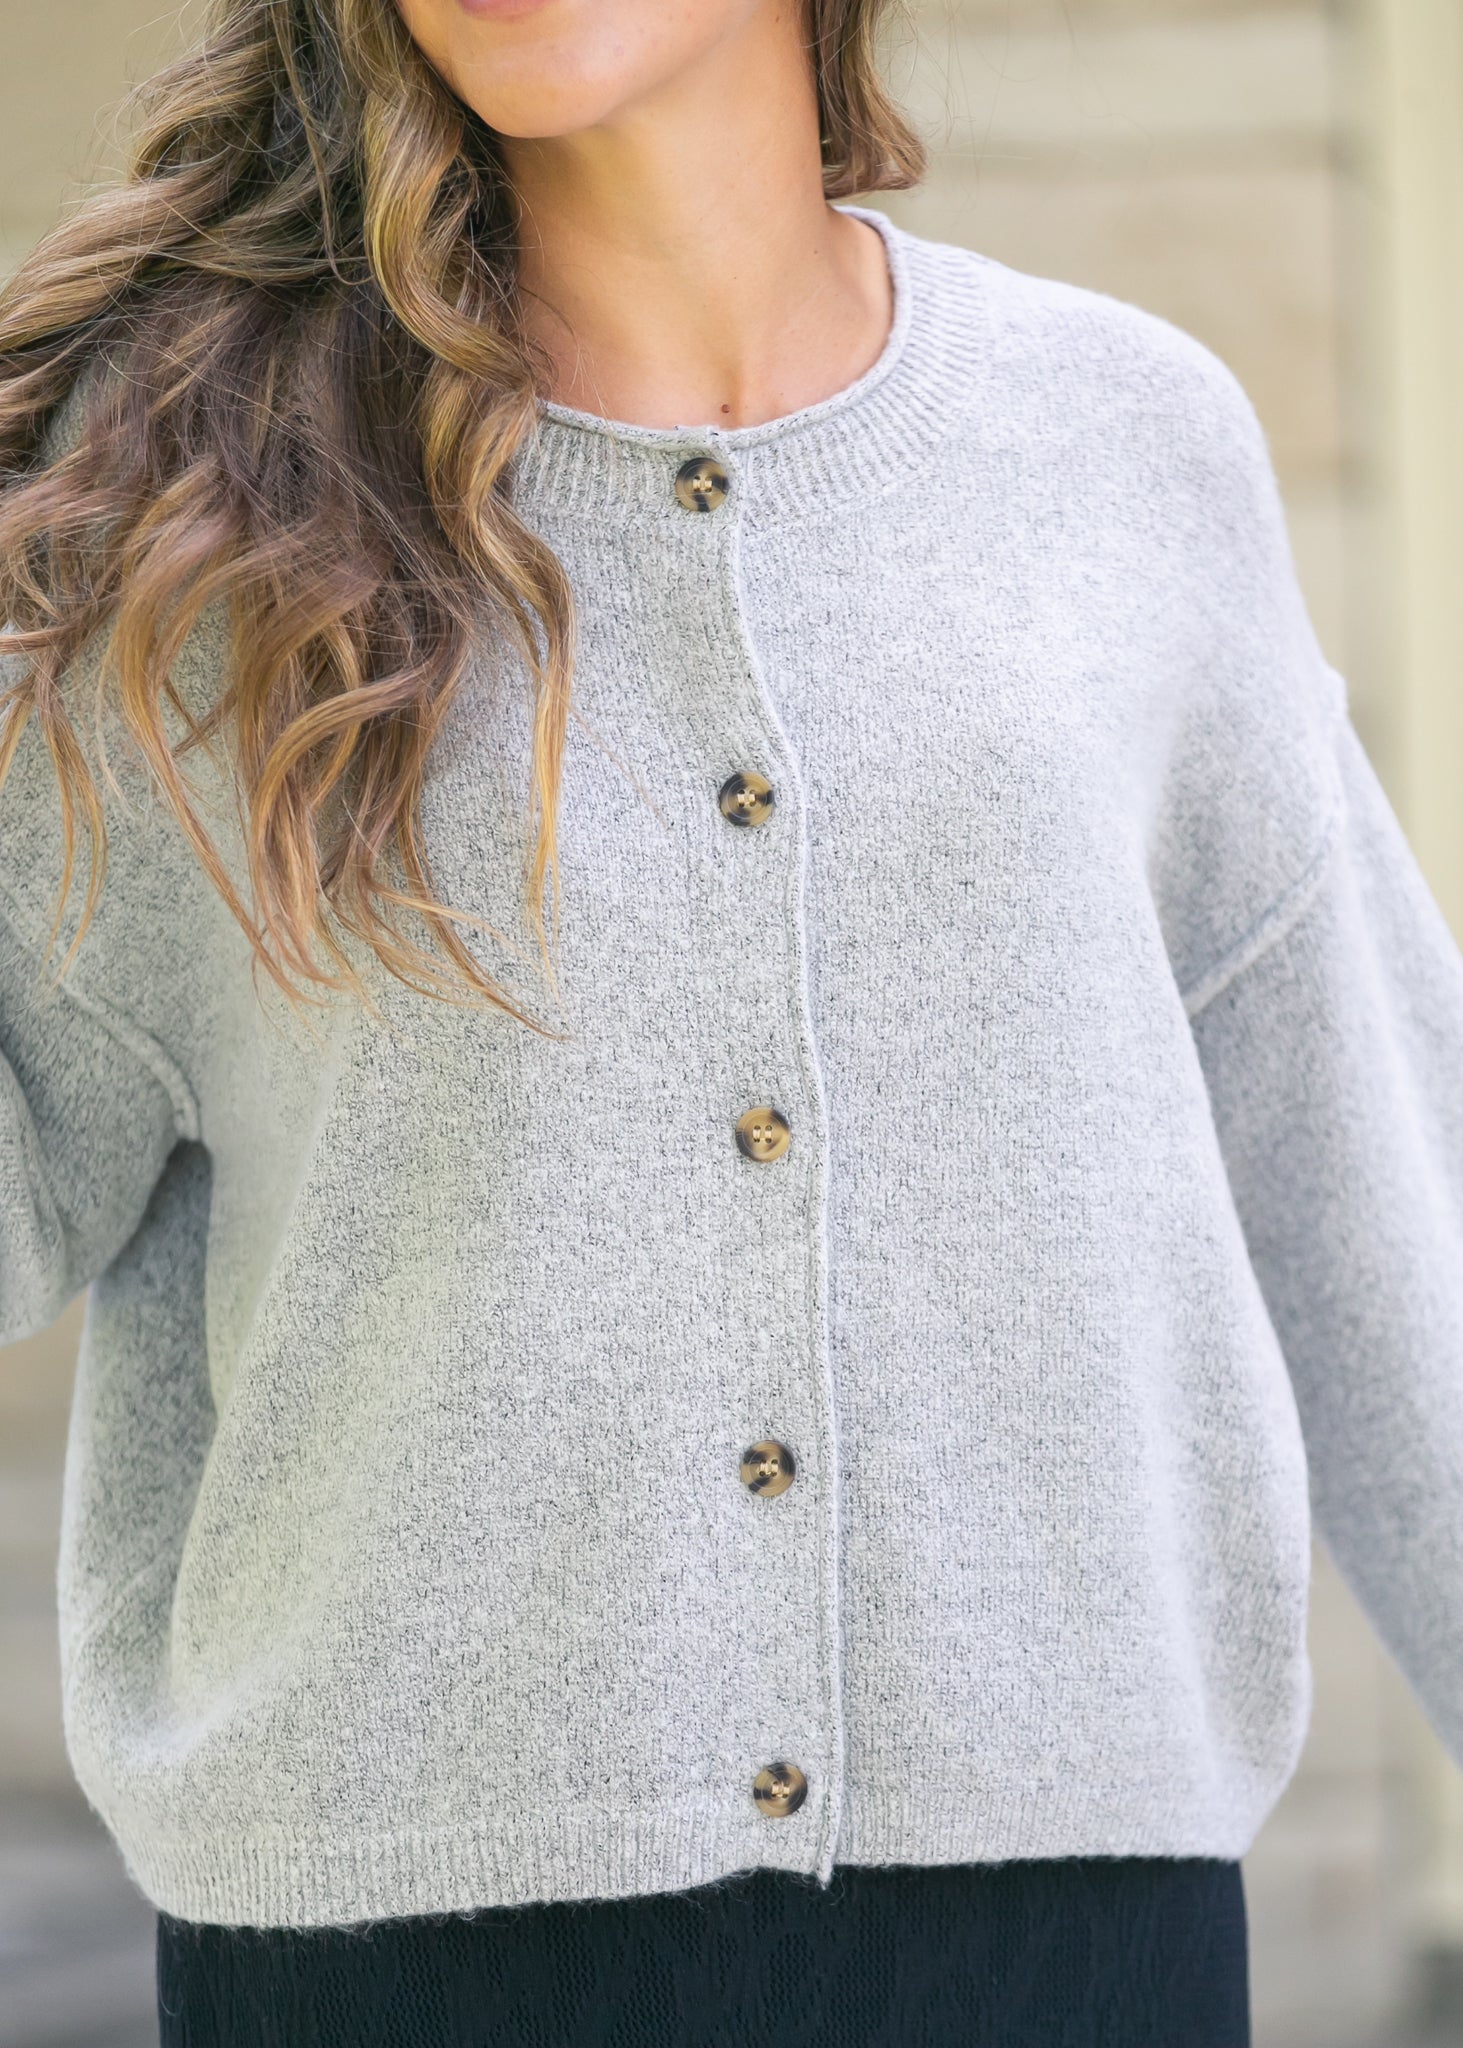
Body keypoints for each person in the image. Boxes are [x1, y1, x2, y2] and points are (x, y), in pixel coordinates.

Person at [1, 0, 1461, 2042]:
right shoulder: (184, 514)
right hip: (389, 1955)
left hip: (1065, 1942)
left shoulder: (1127, 450)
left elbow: (1384, 1198)